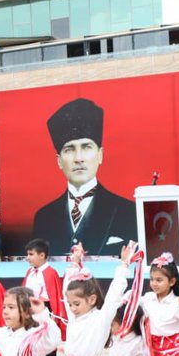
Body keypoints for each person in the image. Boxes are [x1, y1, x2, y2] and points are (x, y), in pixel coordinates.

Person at [29, 98, 136, 256]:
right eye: (69, 149)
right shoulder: (44, 217)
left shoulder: (128, 211)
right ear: (59, 161)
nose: (79, 158)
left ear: (100, 155)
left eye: (86, 147)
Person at [21, 239, 67, 356]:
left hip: (46, 307)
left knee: (47, 336)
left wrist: (55, 315)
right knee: (29, 335)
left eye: (31, 254)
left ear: (42, 255)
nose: (27, 258)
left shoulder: (50, 273)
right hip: (30, 307)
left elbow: (55, 294)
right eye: (27, 254)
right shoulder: (30, 272)